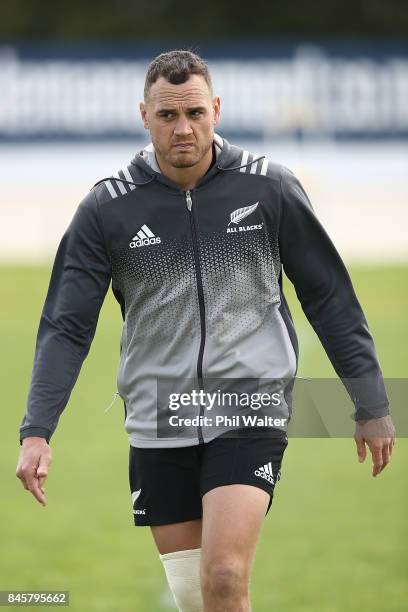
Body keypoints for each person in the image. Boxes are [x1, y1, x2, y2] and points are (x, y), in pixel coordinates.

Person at [16, 50, 396, 612]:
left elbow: (329, 295)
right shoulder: (107, 207)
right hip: (158, 415)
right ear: (143, 116)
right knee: (197, 597)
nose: (183, 128)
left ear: (216, 109)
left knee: (223, 575)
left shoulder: (269, 188)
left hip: (250, 403)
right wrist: (37, 429)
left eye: (195, 112)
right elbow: (67, 326)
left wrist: (370, 402)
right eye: (167, 116)